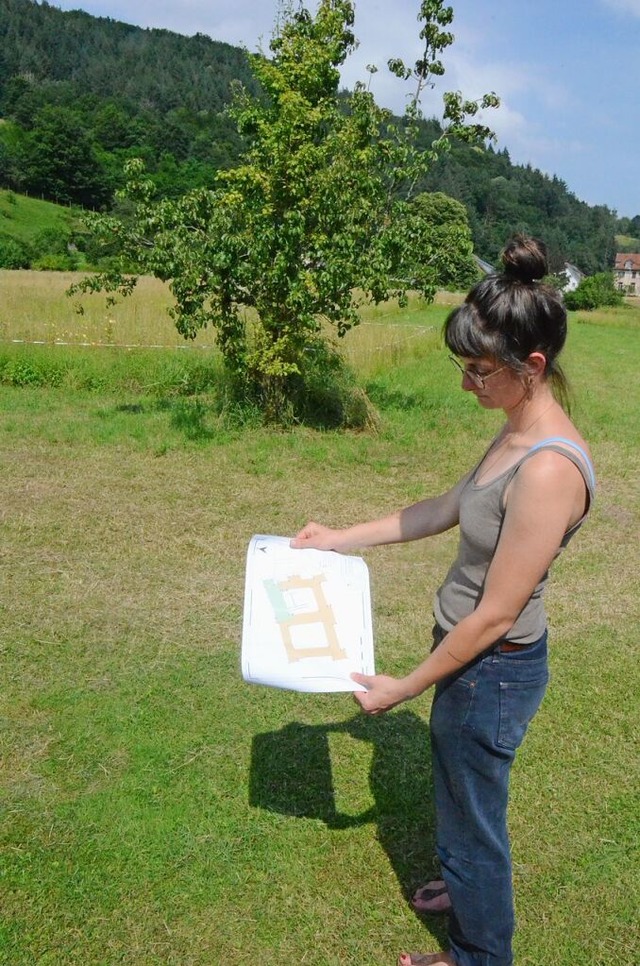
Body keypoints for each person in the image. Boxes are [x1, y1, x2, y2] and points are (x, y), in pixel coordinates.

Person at [291, 235, 596, 966]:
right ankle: (465, 889)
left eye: (478, 370)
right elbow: (443, 508)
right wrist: (340, 538)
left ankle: (476, 954)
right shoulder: (515, 433)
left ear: (532, 366)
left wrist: (403, 687)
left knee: (473, 825)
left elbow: (493, 616)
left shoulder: (550, 470)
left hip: (491, 669)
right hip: (470, 660)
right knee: (463, 807)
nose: (466, 385)